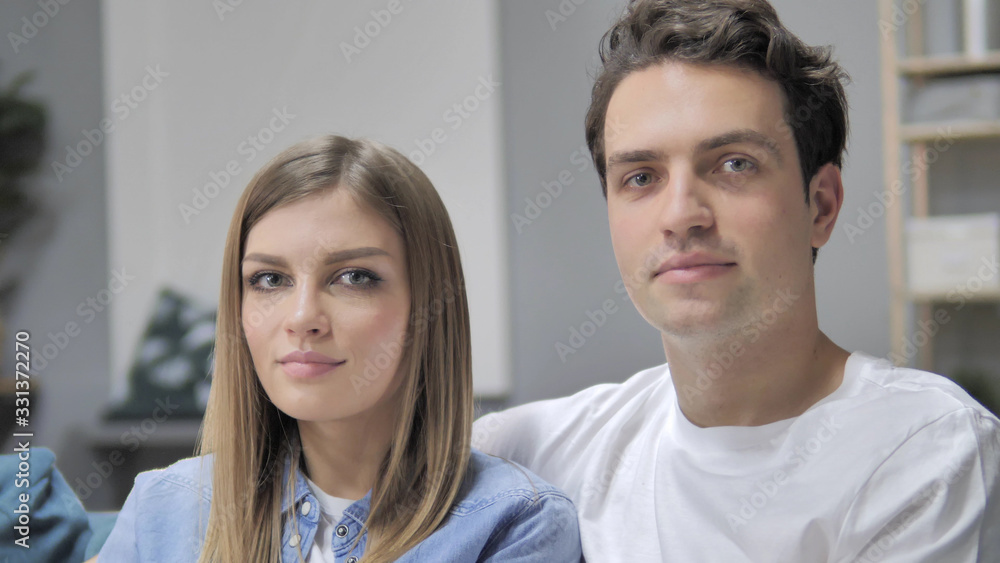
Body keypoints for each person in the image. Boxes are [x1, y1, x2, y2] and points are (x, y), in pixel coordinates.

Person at [473, 1, 1000, 561]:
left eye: (734, 164)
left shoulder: (927, 452)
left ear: (821, 206)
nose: (682, 214)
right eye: (641, 177)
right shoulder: (531, 451)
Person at [97, 135, 581, 562]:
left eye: (354, 277)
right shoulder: (163, 508)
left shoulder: (514, 523)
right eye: (270, 279)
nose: (302, 317)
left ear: (429, 307)